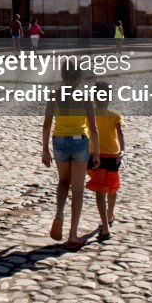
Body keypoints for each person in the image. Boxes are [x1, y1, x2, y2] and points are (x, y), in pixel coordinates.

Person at [42, 67, 100, 249]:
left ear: (62, 76)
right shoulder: (85, 97)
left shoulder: (55, 95)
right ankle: (73, 234)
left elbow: (46, 124)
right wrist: (96, 152)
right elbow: (94, 128)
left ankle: (59, 214)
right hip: (79, 142)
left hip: (59, 141)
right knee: (77, 189)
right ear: (80, 77)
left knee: (63, 181)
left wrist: (44, 149)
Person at [87, 81, 124, 241]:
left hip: (94, 155)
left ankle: (105, 225)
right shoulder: (115, 115)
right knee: (112, 187)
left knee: (100, 190)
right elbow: (120, 133)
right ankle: (109, 214)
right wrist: (122, 150)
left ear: (94, 98)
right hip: (112, 155)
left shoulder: (90, 114)